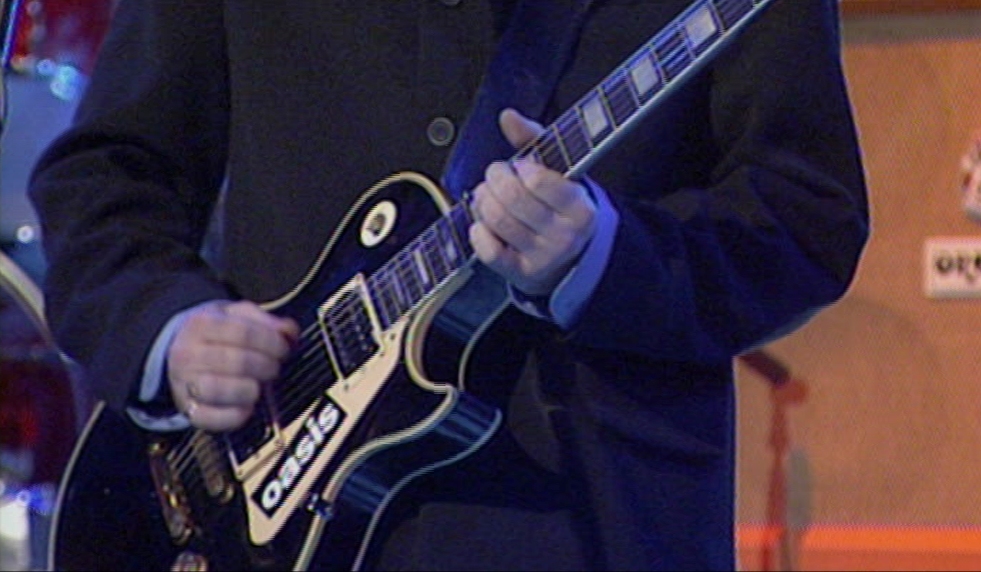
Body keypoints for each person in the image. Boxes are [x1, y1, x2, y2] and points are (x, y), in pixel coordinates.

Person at [27, 0, 869, 570]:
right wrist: (169, 332)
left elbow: (805, 218)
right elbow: (106, 178)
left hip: (594, 521)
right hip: (261, 512)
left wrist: (604, 257)